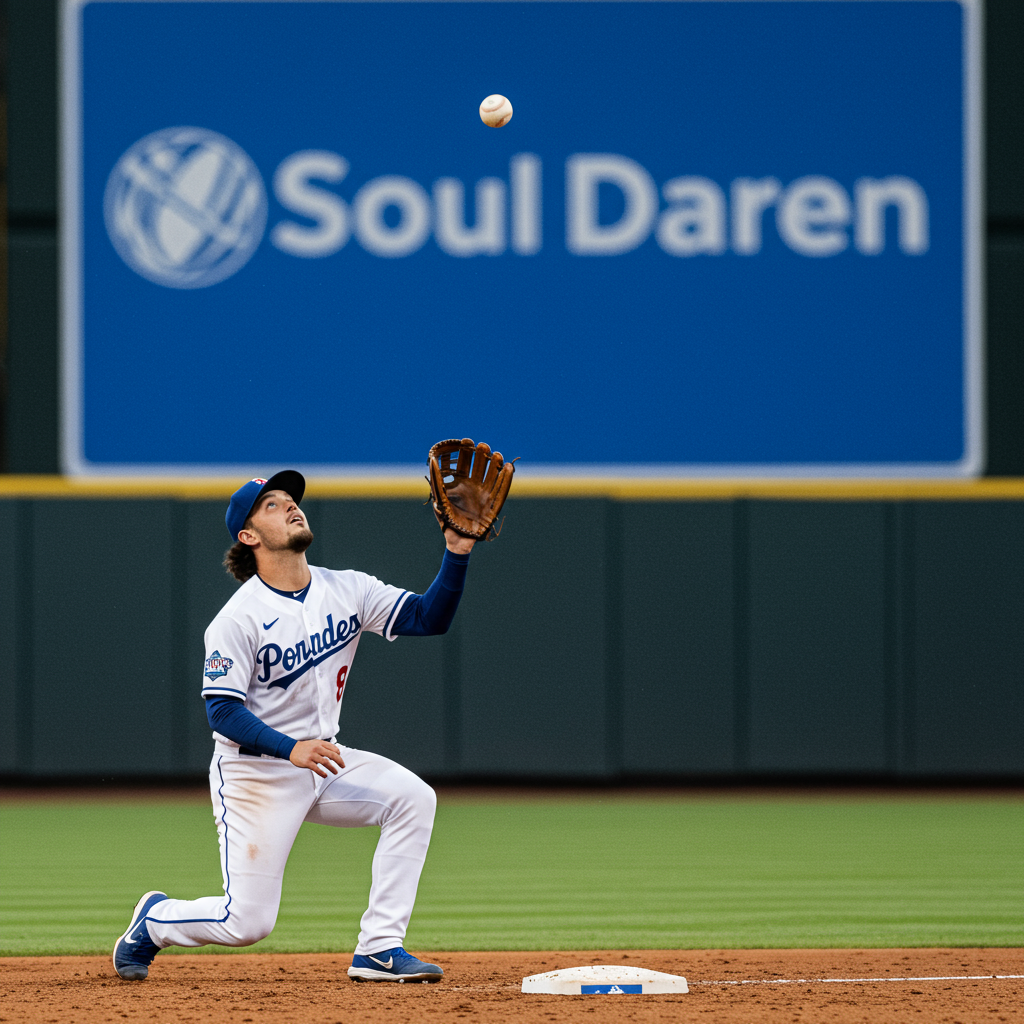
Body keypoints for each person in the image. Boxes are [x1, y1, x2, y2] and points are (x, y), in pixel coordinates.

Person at [113, 470, 476, 983]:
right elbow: (222, 712)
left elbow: (426, 618)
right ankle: (155, 921)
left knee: (413, 798)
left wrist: (456, 551)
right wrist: (291, 749)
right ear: (249, 536)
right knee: (246, 923)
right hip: (255, 775)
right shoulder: (237, 619)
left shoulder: (347, 588)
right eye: (271, 505)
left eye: (290, 500)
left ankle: (378, 949)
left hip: (323, 759)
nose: (289, 506)